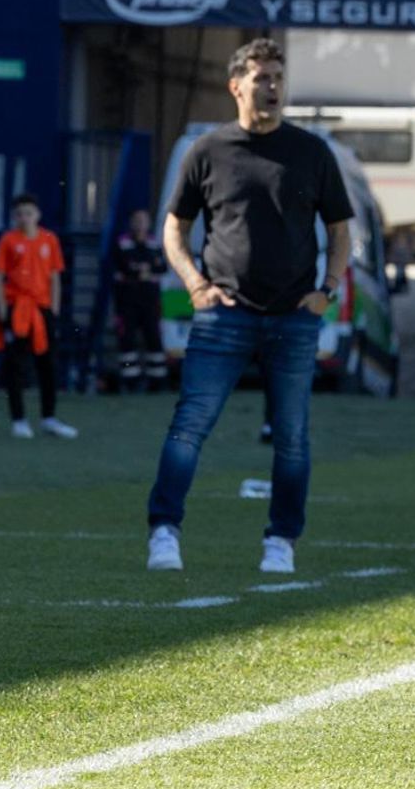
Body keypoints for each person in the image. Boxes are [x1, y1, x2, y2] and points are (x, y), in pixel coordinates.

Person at [145, 38, 353, 575]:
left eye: (278, 78)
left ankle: (280, 541)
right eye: (262, 78)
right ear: (235, 85)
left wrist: (326, 290)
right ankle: (164, 532)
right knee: (190, 424)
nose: (273, 87)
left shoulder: (311, 152)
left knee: (292, 437)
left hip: (294, 317)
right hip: (223, 313)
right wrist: (194, 283)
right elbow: (175, 227)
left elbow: (339, 230)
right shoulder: (207, 151)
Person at [0, 193, 77, 440]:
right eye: (19, 214)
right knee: (16, 365)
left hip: (42, 309)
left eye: (29, 213)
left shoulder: (49, 240)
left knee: (48, 364)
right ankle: (18, 420)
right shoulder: (8, 240)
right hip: (17, 309)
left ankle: (49, 418)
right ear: (14, 217)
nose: (24, 218)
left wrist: (54, 308)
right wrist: (3, 309)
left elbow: (54, 277)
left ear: (37, 215)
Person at [110, 209, 168, 392]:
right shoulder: (122, 243)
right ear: (131, 222)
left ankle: (157, 381)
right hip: (127, 299)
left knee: (154, 338)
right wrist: (143, 269)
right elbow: (125, 266)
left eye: (143, 220)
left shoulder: (154, 243)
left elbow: (162, 267)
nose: (140, 224)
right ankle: (130, 381)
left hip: (150, 300)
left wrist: (142, 269)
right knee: (127, 339)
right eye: (136, 220)